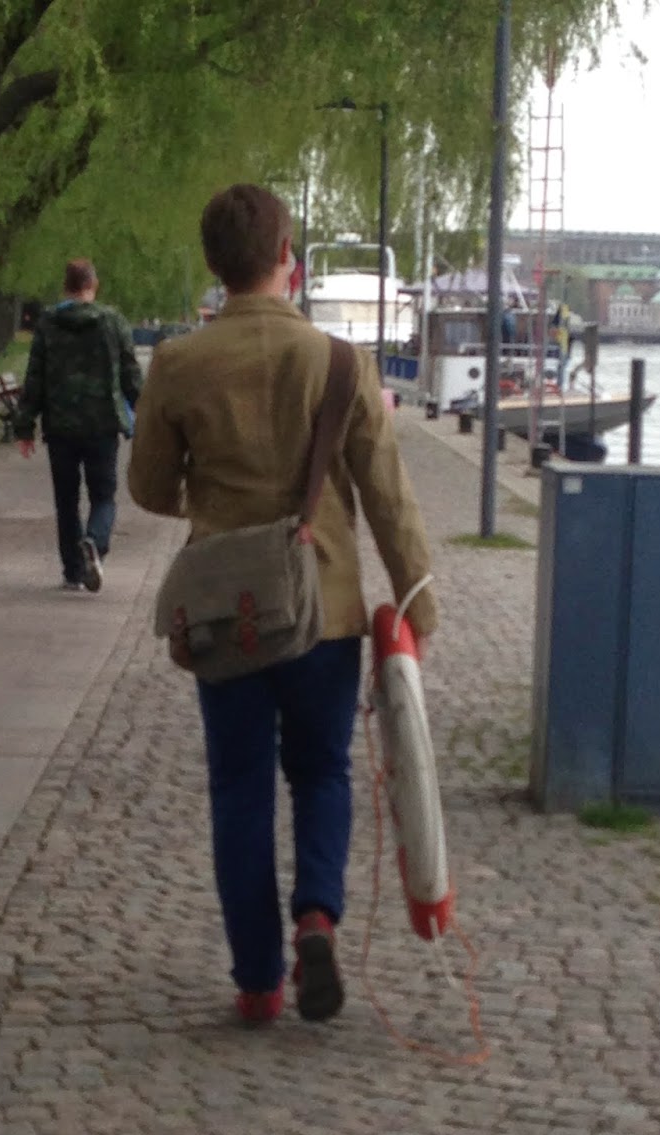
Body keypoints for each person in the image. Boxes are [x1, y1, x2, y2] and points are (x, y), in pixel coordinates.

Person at [128, 184, 439, 1028]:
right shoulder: (340, 362)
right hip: (324, 611)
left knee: (239, 789)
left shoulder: (179, 363)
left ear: (214, 265)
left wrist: (211, 495)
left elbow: (148, 487)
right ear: (286, 259)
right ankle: (317, 918)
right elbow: (389, 497)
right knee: (321, 772)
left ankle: (259, 982)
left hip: (226, 613)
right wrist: (417, 604)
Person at [13, 259, 142, 592]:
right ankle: (95, 542)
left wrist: (24, 426)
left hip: (60, 425)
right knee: (104, 495)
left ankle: (73, 570)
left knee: (66, 500)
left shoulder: (48, 323)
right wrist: (143, 415)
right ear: (93, 285)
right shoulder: (113, 322)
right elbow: (130, 375)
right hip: (102, 424)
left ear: (66, 287)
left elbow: (35, 376)